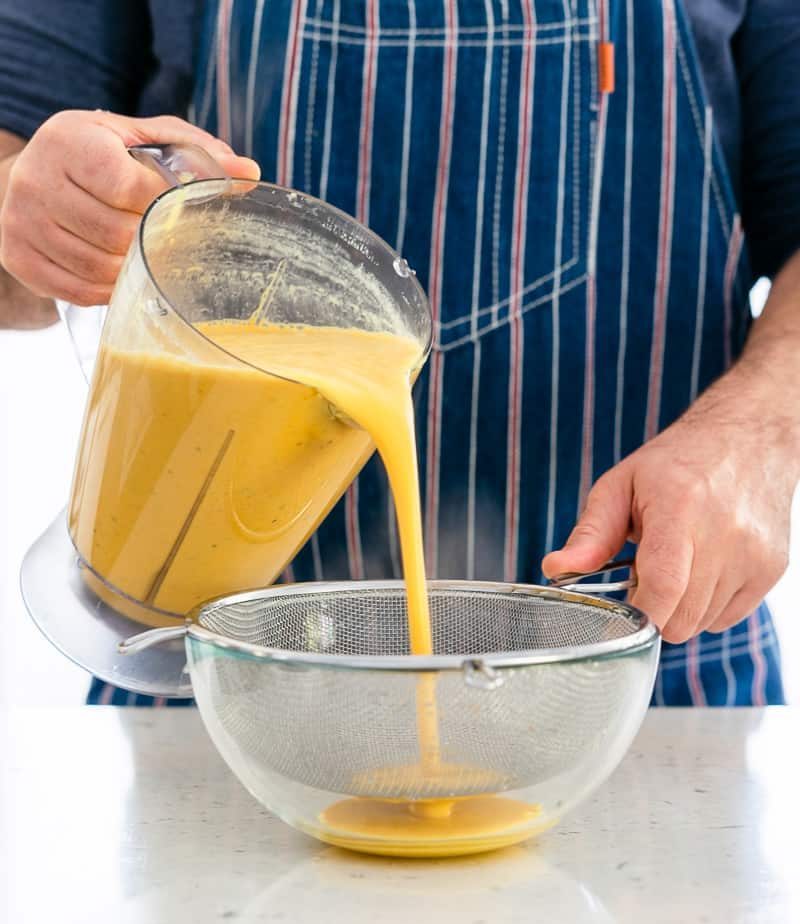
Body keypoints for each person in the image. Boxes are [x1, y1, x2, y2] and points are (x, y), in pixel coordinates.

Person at [0, 0, 798, 707]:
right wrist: (30, 211)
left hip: (652, 697)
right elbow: (16, 254)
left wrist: (761, 433)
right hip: (209, 688)